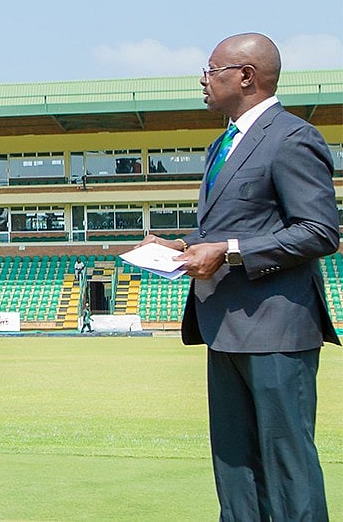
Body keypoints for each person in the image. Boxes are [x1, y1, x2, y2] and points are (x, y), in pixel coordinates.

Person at [134, 33, 338, 520]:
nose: (203, 80)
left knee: (286, 464)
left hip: (276, 329)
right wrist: (183, 247)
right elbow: (234, 226)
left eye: (211, 69)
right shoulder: (222, 144)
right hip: (224, 328)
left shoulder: (292, 137)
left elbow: (319, 231)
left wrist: (228, 252)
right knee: (234, 465)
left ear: (245, 76)